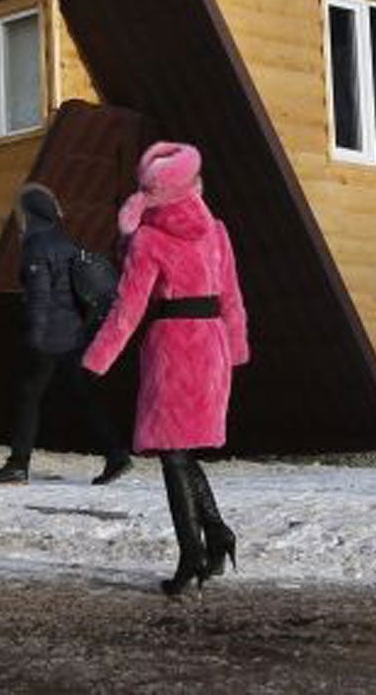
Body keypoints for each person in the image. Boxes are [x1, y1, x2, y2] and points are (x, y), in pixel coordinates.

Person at [83, 142, 249, 595]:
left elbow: (127, 308)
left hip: (174, 349)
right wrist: (234, 350)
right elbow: (233, 297)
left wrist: (97, 358)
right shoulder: (217, 230)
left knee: (173, 453)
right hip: (211, 346)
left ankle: (191, 557)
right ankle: (216, 536)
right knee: (183, 450)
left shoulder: (149, 240)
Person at [0, 183, 133, 487]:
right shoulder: (65, 242)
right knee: (82, 396)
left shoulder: (36, 246)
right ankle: (116, 453)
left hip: (49, 337)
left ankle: (17, 465)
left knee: (27, 396)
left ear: (30, 214)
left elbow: (40, 296)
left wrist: (34, 336)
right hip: (74, 334)